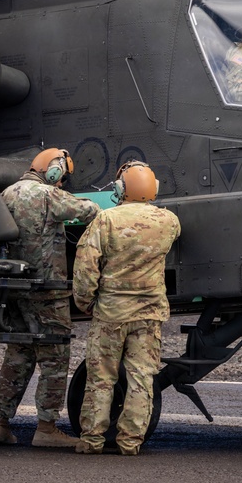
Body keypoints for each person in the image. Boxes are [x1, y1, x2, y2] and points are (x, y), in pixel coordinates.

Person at [0, 148, 101, 448]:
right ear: (53, 170)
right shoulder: (48, 195)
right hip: (46, 290)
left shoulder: (8, 193)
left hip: (14, 290)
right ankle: (46, 428)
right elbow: (88, 211)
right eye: (62, 177)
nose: (61, 183)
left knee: (19, 353)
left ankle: (0, 422)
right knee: (55, 355)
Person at [72, 161, 180, 456]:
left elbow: (85, 267)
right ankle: (131, 442)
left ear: (120, 189)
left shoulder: (106, 220)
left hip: (110, 314)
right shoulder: (169, 221)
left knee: (101, 379)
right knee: (142, 378)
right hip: (148, 315)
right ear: (153, 189)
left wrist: (85, 302)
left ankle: (92, 440)